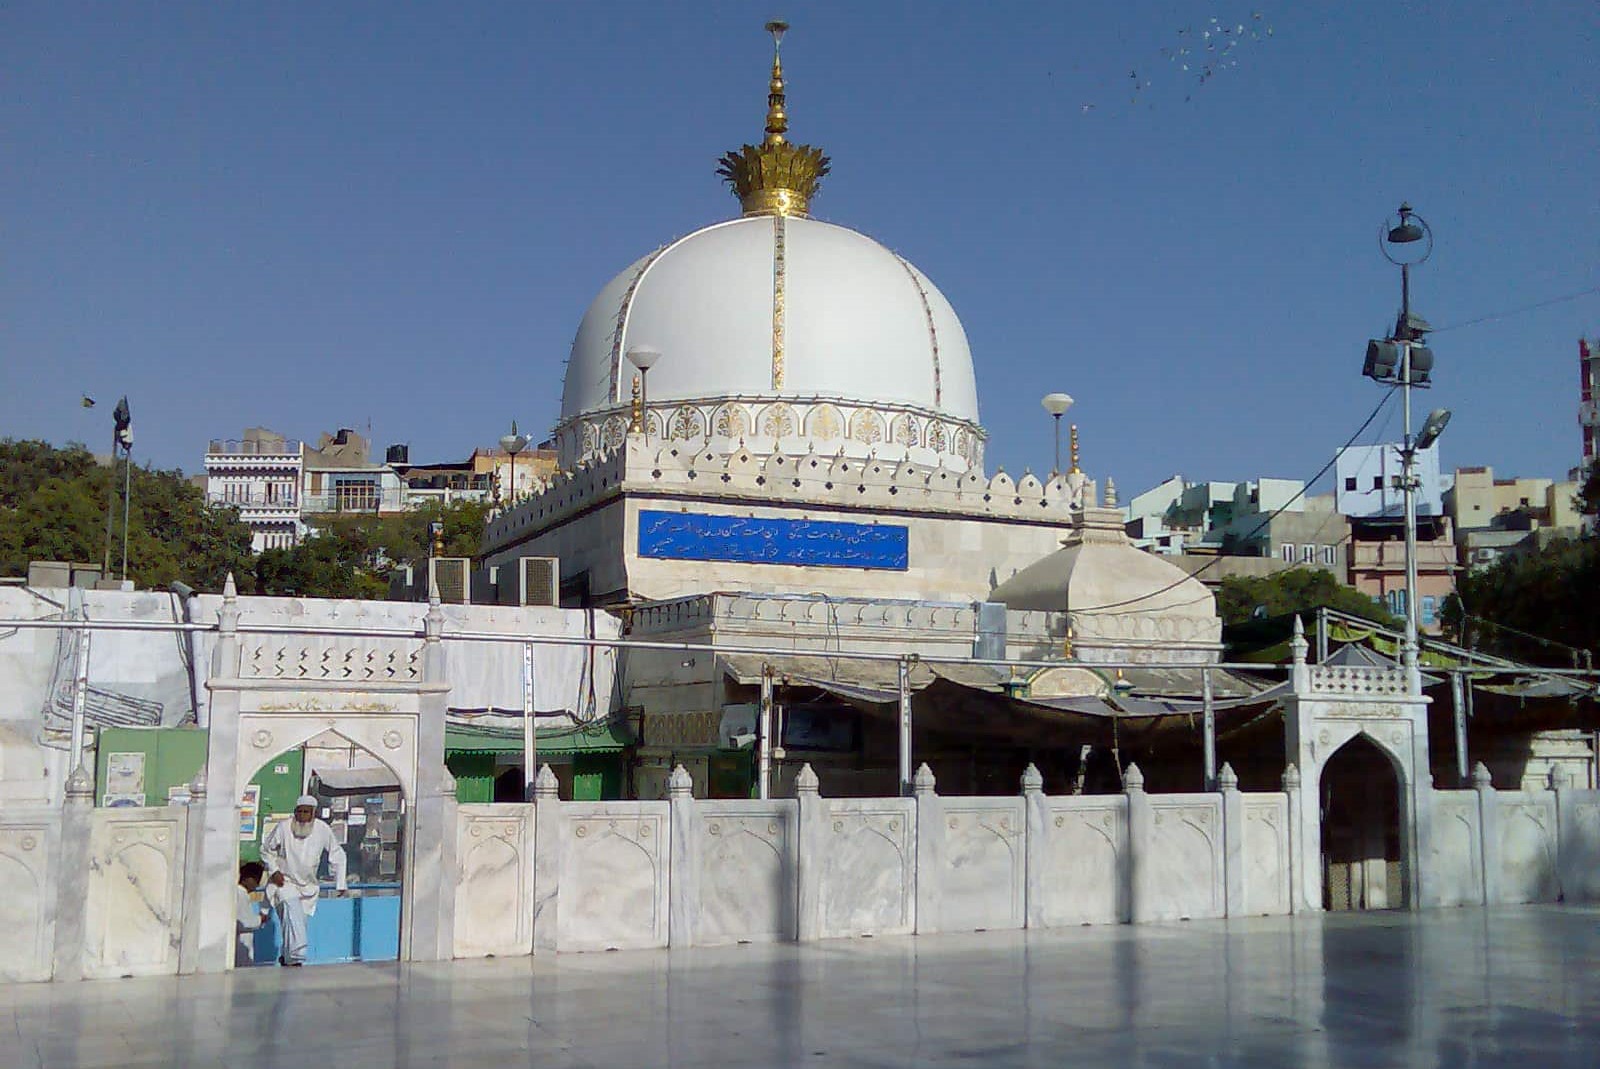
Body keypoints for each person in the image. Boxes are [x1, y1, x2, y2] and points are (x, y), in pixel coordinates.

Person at [260, 794, 347, 966]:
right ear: (295, 812)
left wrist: (340, 883)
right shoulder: (284, 827)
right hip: (285, 881)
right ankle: (297, 955)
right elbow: (265, 850)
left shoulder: (322, 829)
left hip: (308, 886)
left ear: (313, 813)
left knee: (293, 922)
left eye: (307, 812)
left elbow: (337, 854)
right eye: (300, 812)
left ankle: (288, 957)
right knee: (292, 911)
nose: (303, 816)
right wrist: (274, 870)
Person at [235, 861, 271, 966]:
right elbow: (241, 922)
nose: (256, 886)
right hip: (240, 946)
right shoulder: (239, 895)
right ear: (248, 879)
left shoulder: (244, 895)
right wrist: (260, 920)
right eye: (256, 881)